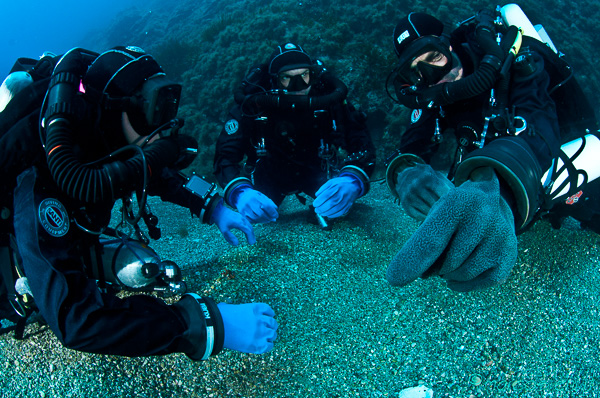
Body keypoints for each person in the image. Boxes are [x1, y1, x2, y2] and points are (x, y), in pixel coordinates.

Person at [0, 46, 278, 360]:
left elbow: (150, 172)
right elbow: (77, 323)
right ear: (112, 109)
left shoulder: (99, 138)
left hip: (70, 241)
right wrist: (202, 323)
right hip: (19, 269)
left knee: (141, 266)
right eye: (151, 110)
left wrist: (213, 206)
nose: (163, 127)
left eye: (166, 106)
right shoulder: (39, 173)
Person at [384, 6, 599, 291]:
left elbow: (540, 125)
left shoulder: (512, 59)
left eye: (434, 56)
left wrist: (503, 194)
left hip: (561, 161)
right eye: (417, 71)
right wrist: (405, 172)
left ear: (448, 45)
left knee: (592, 214)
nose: (434, 75)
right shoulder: (431, 94)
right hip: (504, 171)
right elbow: (413, 142)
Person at [213, 43, 376, 227]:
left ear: (312, 75)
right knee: (260, 215)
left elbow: (361, 141)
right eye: (287, 78)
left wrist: (352, 179)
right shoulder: (254, 105)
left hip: (318, 171)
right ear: (275, 80)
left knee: (339, 211)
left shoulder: (328, 99)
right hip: (268, 175)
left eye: (304, 75)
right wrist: (240, 193)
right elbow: (225, 156)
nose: (297, 86)